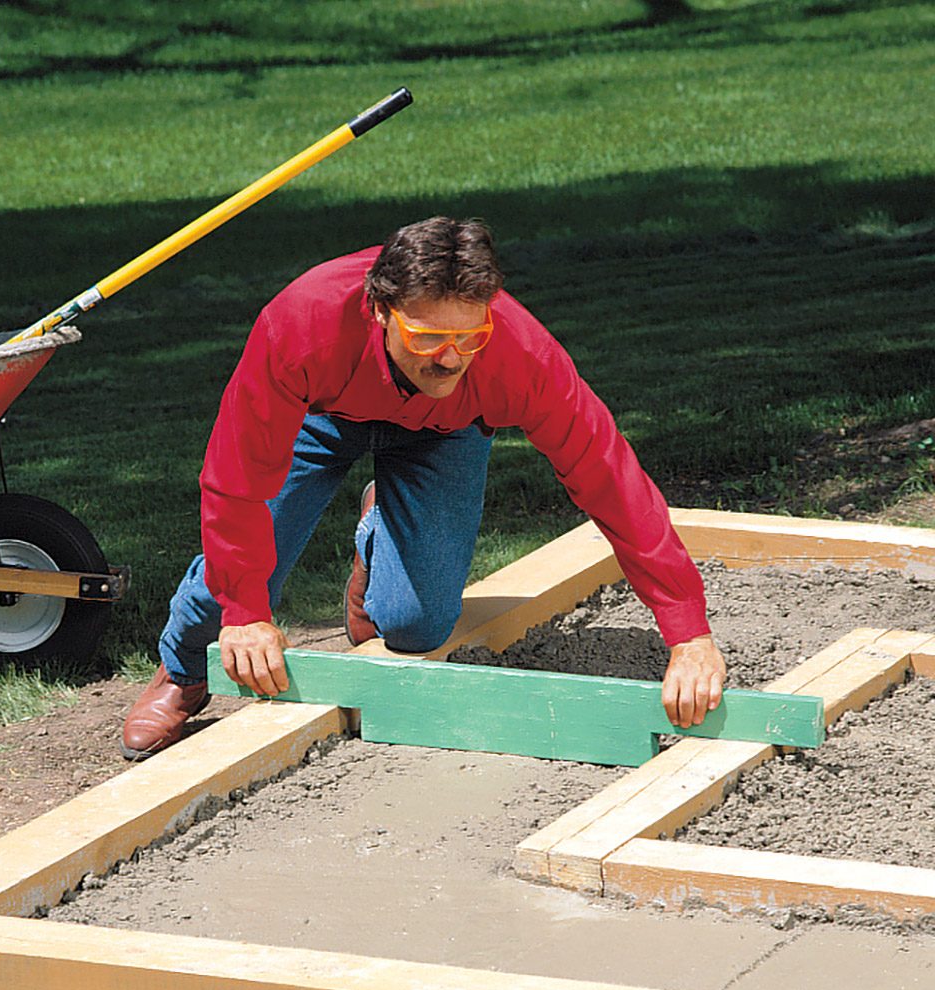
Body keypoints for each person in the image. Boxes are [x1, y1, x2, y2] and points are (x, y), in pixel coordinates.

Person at [121, 216, 726, 760]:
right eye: (427, 338)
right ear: (380, 310)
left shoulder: (519, 356)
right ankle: (181, 672)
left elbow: (610, 478)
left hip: (445, 431)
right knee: (239, 576)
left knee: (417, 626)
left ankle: (375, 535)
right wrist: (247, 613)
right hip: (324, 414)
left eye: (470, 338)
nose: (450, 359)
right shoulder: (303, 322)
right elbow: (236, 481)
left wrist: (687, 628)